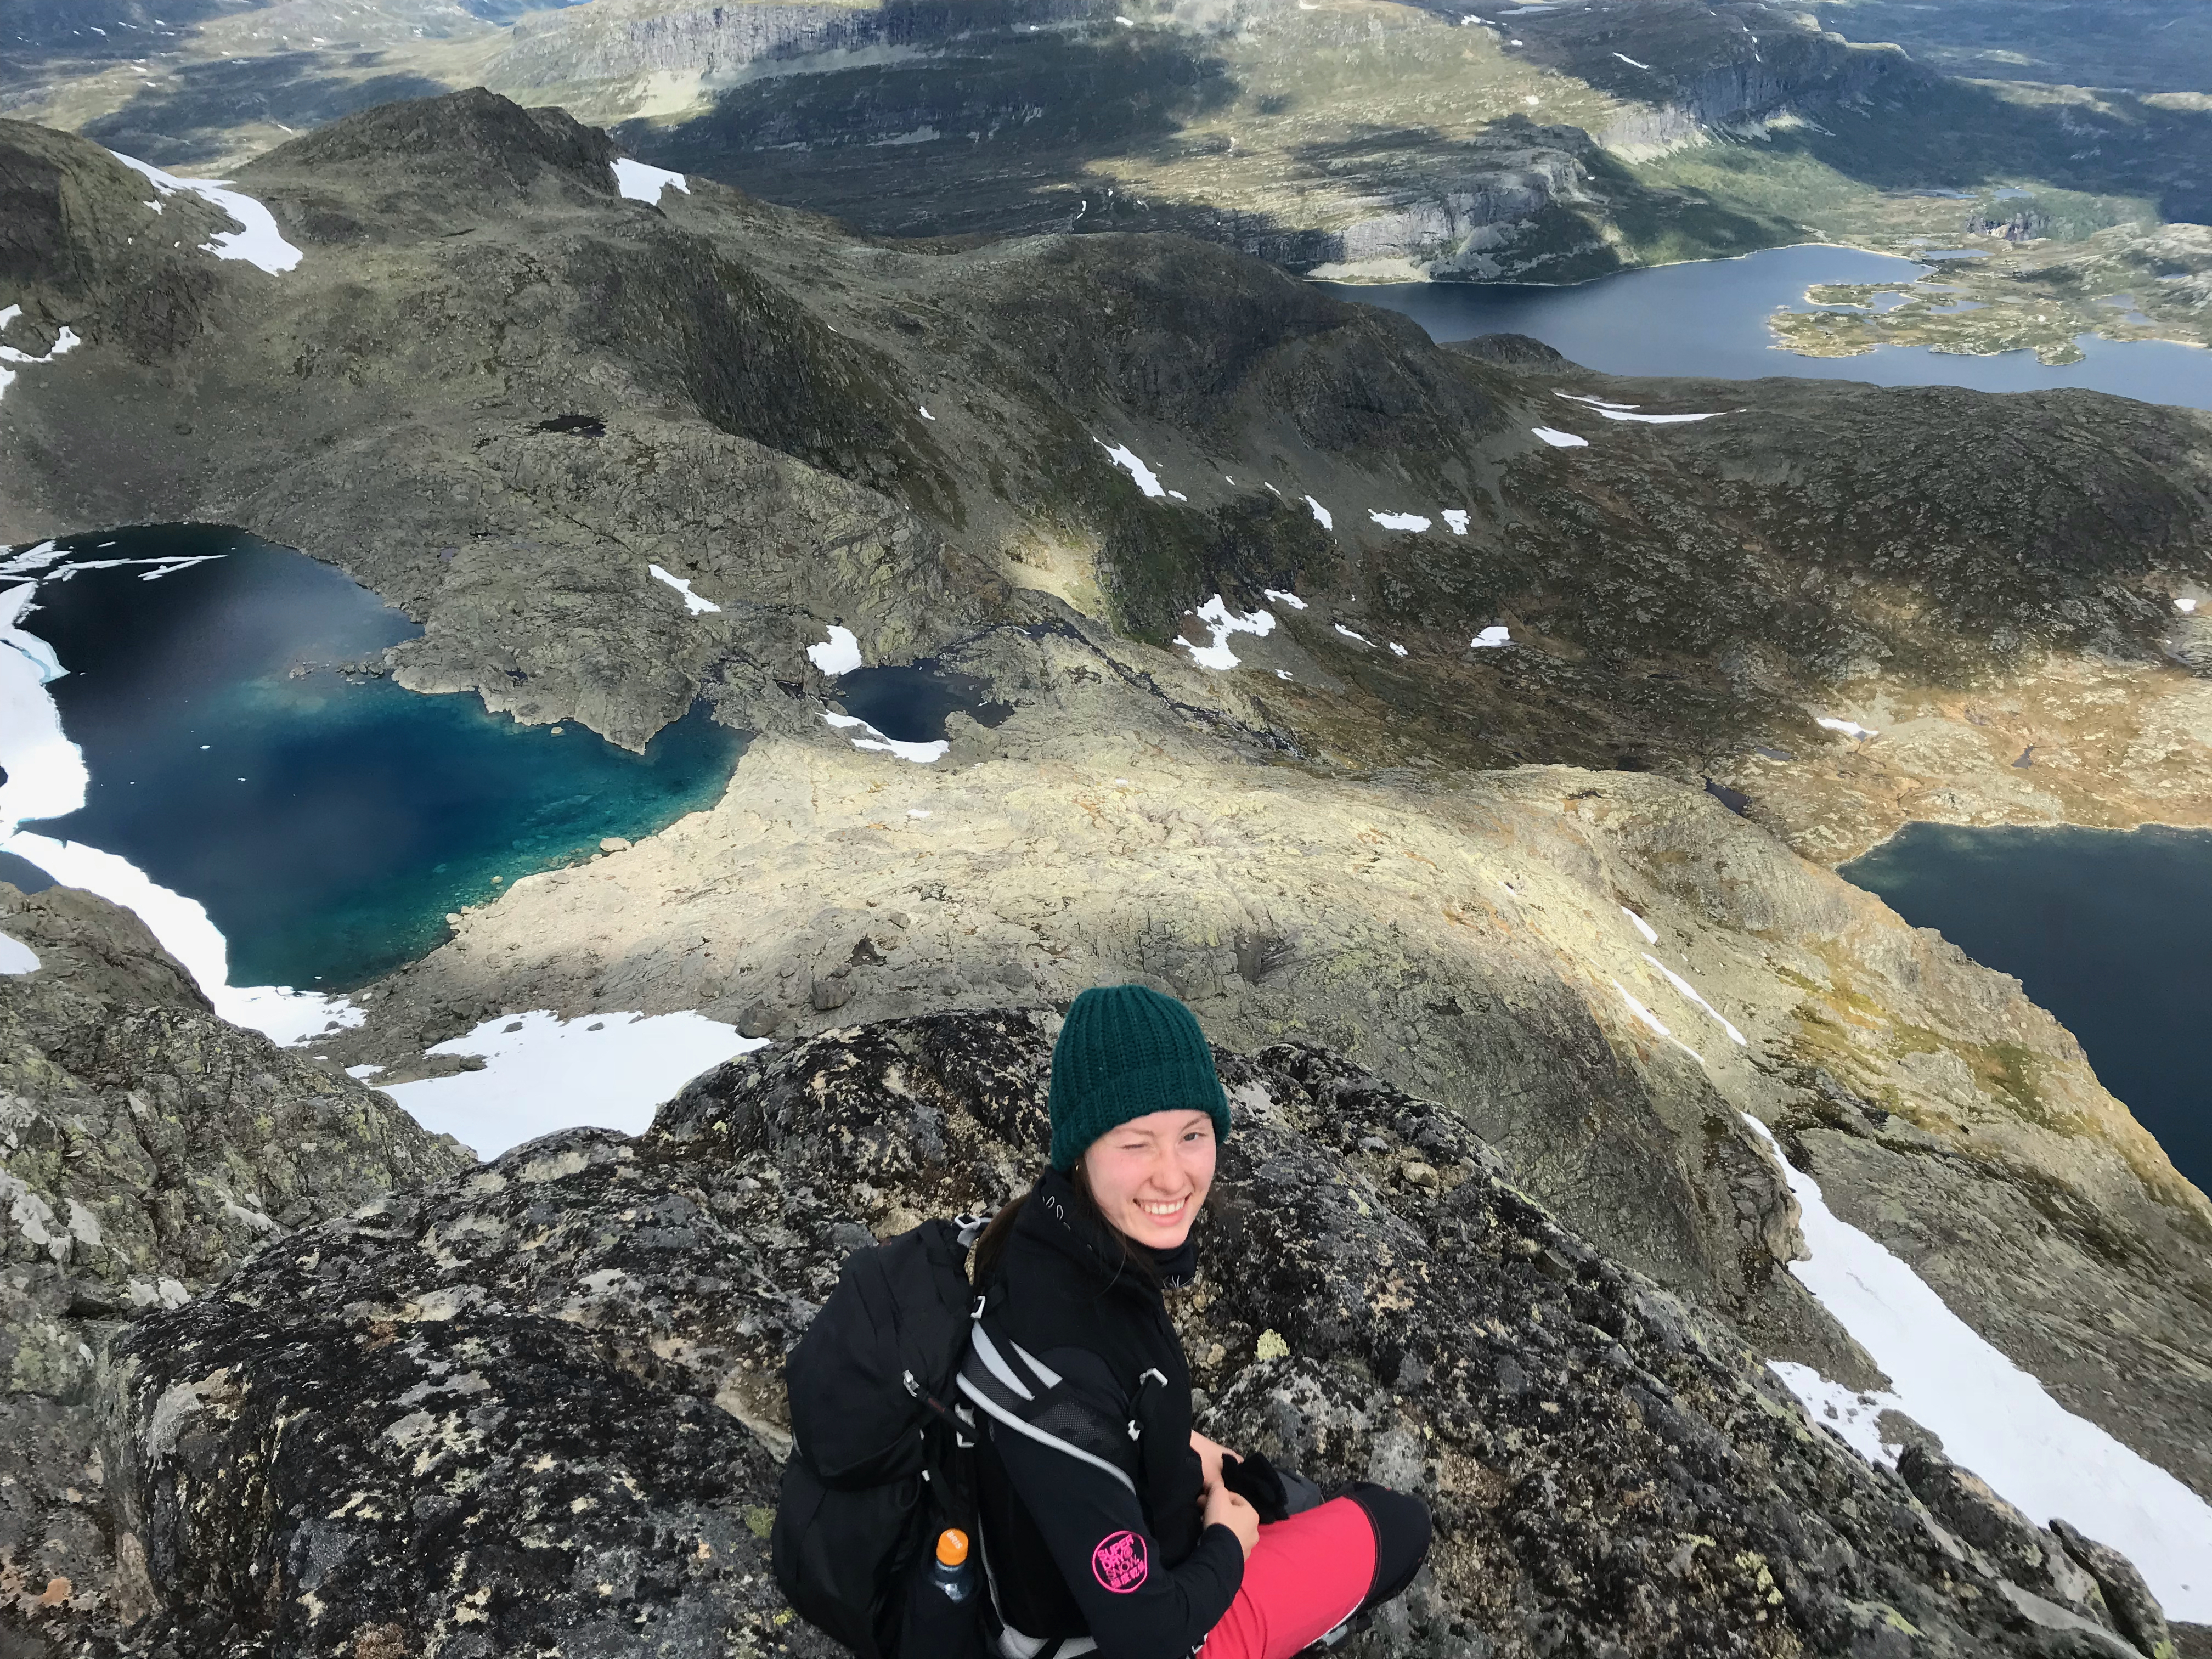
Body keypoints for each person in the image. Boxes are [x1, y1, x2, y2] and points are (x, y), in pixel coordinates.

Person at [957, 985, 1431, 1659]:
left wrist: (1181, 1448)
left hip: (1069, 1565)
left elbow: (1106, 1413)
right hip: (1099, 1640)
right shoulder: (1062, 1367)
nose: (1173, 1177)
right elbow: (1147, 1635)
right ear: (1080, 1150)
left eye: (1192, 1135)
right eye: (1136, 1143)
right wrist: (1227, 1545)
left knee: (1279, 1492)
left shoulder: (1049, 1243)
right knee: (1398, 1526)